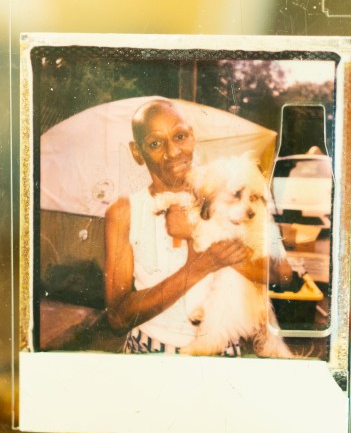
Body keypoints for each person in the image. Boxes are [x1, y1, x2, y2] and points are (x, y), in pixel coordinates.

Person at [104, 98, 291, 354]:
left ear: (192, 136)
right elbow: (117, 318)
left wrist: (198, 235)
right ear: (137, 152)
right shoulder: (125, 212)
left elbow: (283, 274)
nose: (173, 152)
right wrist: (199, 267)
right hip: (148, 352)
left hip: (221, 354)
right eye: (155, 143)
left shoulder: (237, 187)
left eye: (180, 136)